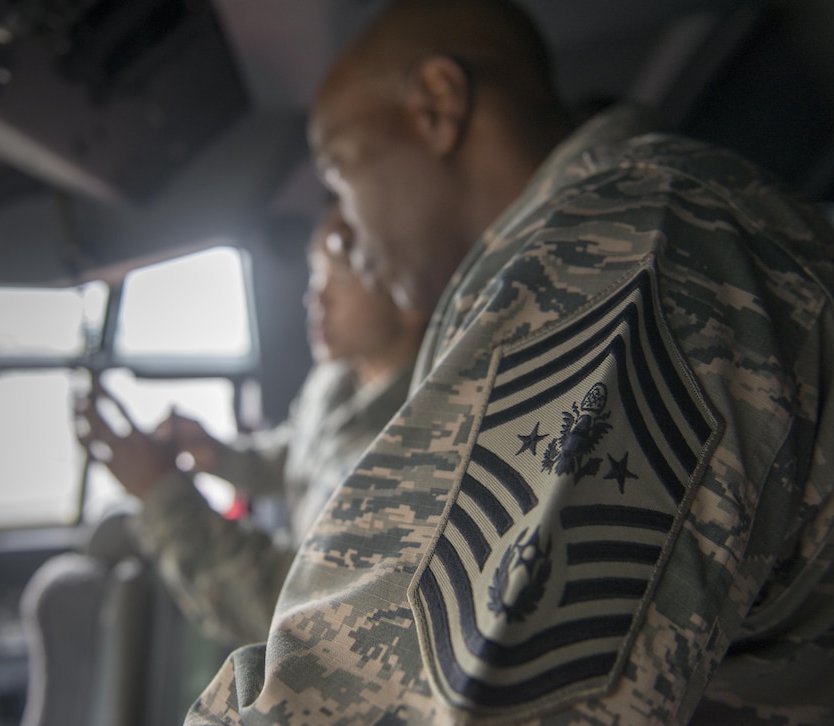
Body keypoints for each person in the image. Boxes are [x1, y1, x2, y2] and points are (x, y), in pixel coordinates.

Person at [177, 1, 834, 723]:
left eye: (339, 175)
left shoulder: (622, 256)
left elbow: (381, 700)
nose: (345, 231)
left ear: (436, 106)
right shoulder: (612, 237)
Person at [79, 205, 428, 646]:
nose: (316, 299)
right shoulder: (334, 379)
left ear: (407, 299)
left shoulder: (417, 438)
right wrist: (221, 456)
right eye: (314, 277)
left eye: (339, 279)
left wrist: (160, 493)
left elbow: (295, 610)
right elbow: (294, 456)